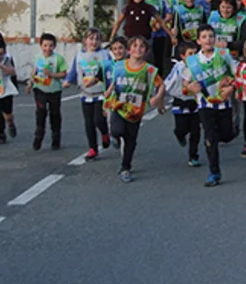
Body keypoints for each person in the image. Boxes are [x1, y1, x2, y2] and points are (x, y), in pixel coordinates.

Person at [183, 24, 239, 187]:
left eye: (211, 36)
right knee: (210, 138)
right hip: (205, 104)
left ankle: (234, 128)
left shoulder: (224, 55)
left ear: (215, 39)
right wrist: (190, 87)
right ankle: (214, 172)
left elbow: (237, 74)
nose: (208, 39)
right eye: (204, 37)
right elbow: (185, 81)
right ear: (198, 41)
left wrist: (231, 87)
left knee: (227, 135)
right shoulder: (193, 61)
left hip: (224, 103)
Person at [105, 35, 164, 182]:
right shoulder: (120, 65)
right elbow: (115, 80)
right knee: (117, 129)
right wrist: (109, 90)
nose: (138, 49)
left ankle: (126, 167)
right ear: (129, 49)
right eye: (135, 46)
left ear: (146, 51)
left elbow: (161, 85)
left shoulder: (149, 70)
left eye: (142, 46)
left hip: (136, 110)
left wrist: (157, 98)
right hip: (118, 105)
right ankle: (114, 137)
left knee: (130, 140)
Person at [63, 27, 110, 160]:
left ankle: (105, 133)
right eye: (91, 39)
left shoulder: (105, 54)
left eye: (97, 39)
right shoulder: (79, 56)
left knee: (98, 119)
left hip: (101, 92)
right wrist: (68, 80)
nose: (94, 42)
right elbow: (74, 70)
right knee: (89, 122)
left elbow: (109, 71)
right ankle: (92, 148)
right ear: (85, 40)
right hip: (86, 93)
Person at [162, 41, 201, 167]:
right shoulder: (178, 68)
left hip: (195, 102)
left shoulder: (200, 66)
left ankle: (193, 156)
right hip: (180, 101)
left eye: (195, 53)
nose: (193, 56)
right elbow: (168, 82)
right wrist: (160, 96)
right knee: (182, 128)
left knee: (196, 131)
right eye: (190, 54)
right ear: (183, 56)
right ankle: (179, 135)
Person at [28, 32, 68, 150]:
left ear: (54, 46)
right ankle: (39, 135)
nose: (48, 48)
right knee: (41, 112)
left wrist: (52, 74)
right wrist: (30, 83)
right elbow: (34, 71)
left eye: (50, 46)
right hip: (40, 89)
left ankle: (56, 137)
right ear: (41, 46)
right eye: (45, 45)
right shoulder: (37, 58)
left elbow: (64, 74)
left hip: (54, 90)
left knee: (54, 114)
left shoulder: (58, 59)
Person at [144, 0, 171, 74]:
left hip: (160, 34)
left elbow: (169, 15)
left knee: (159, 59)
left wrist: (162, 22)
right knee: (145, 58)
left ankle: (159, 77)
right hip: (146, 34)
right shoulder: (143, 1)